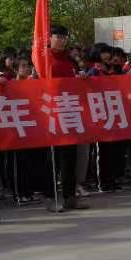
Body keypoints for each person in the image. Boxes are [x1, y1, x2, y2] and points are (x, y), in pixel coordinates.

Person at [46, 24, 88, 212]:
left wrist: (81, 79)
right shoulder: (43, 58)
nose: (61, 40)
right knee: (52, 159)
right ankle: (51, 198)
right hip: (49, 113)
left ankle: (70, 197)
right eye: (58, 36)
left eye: (64, 37)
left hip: (69, 114)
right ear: (49, 37)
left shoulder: (70, 60)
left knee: (70, 158)